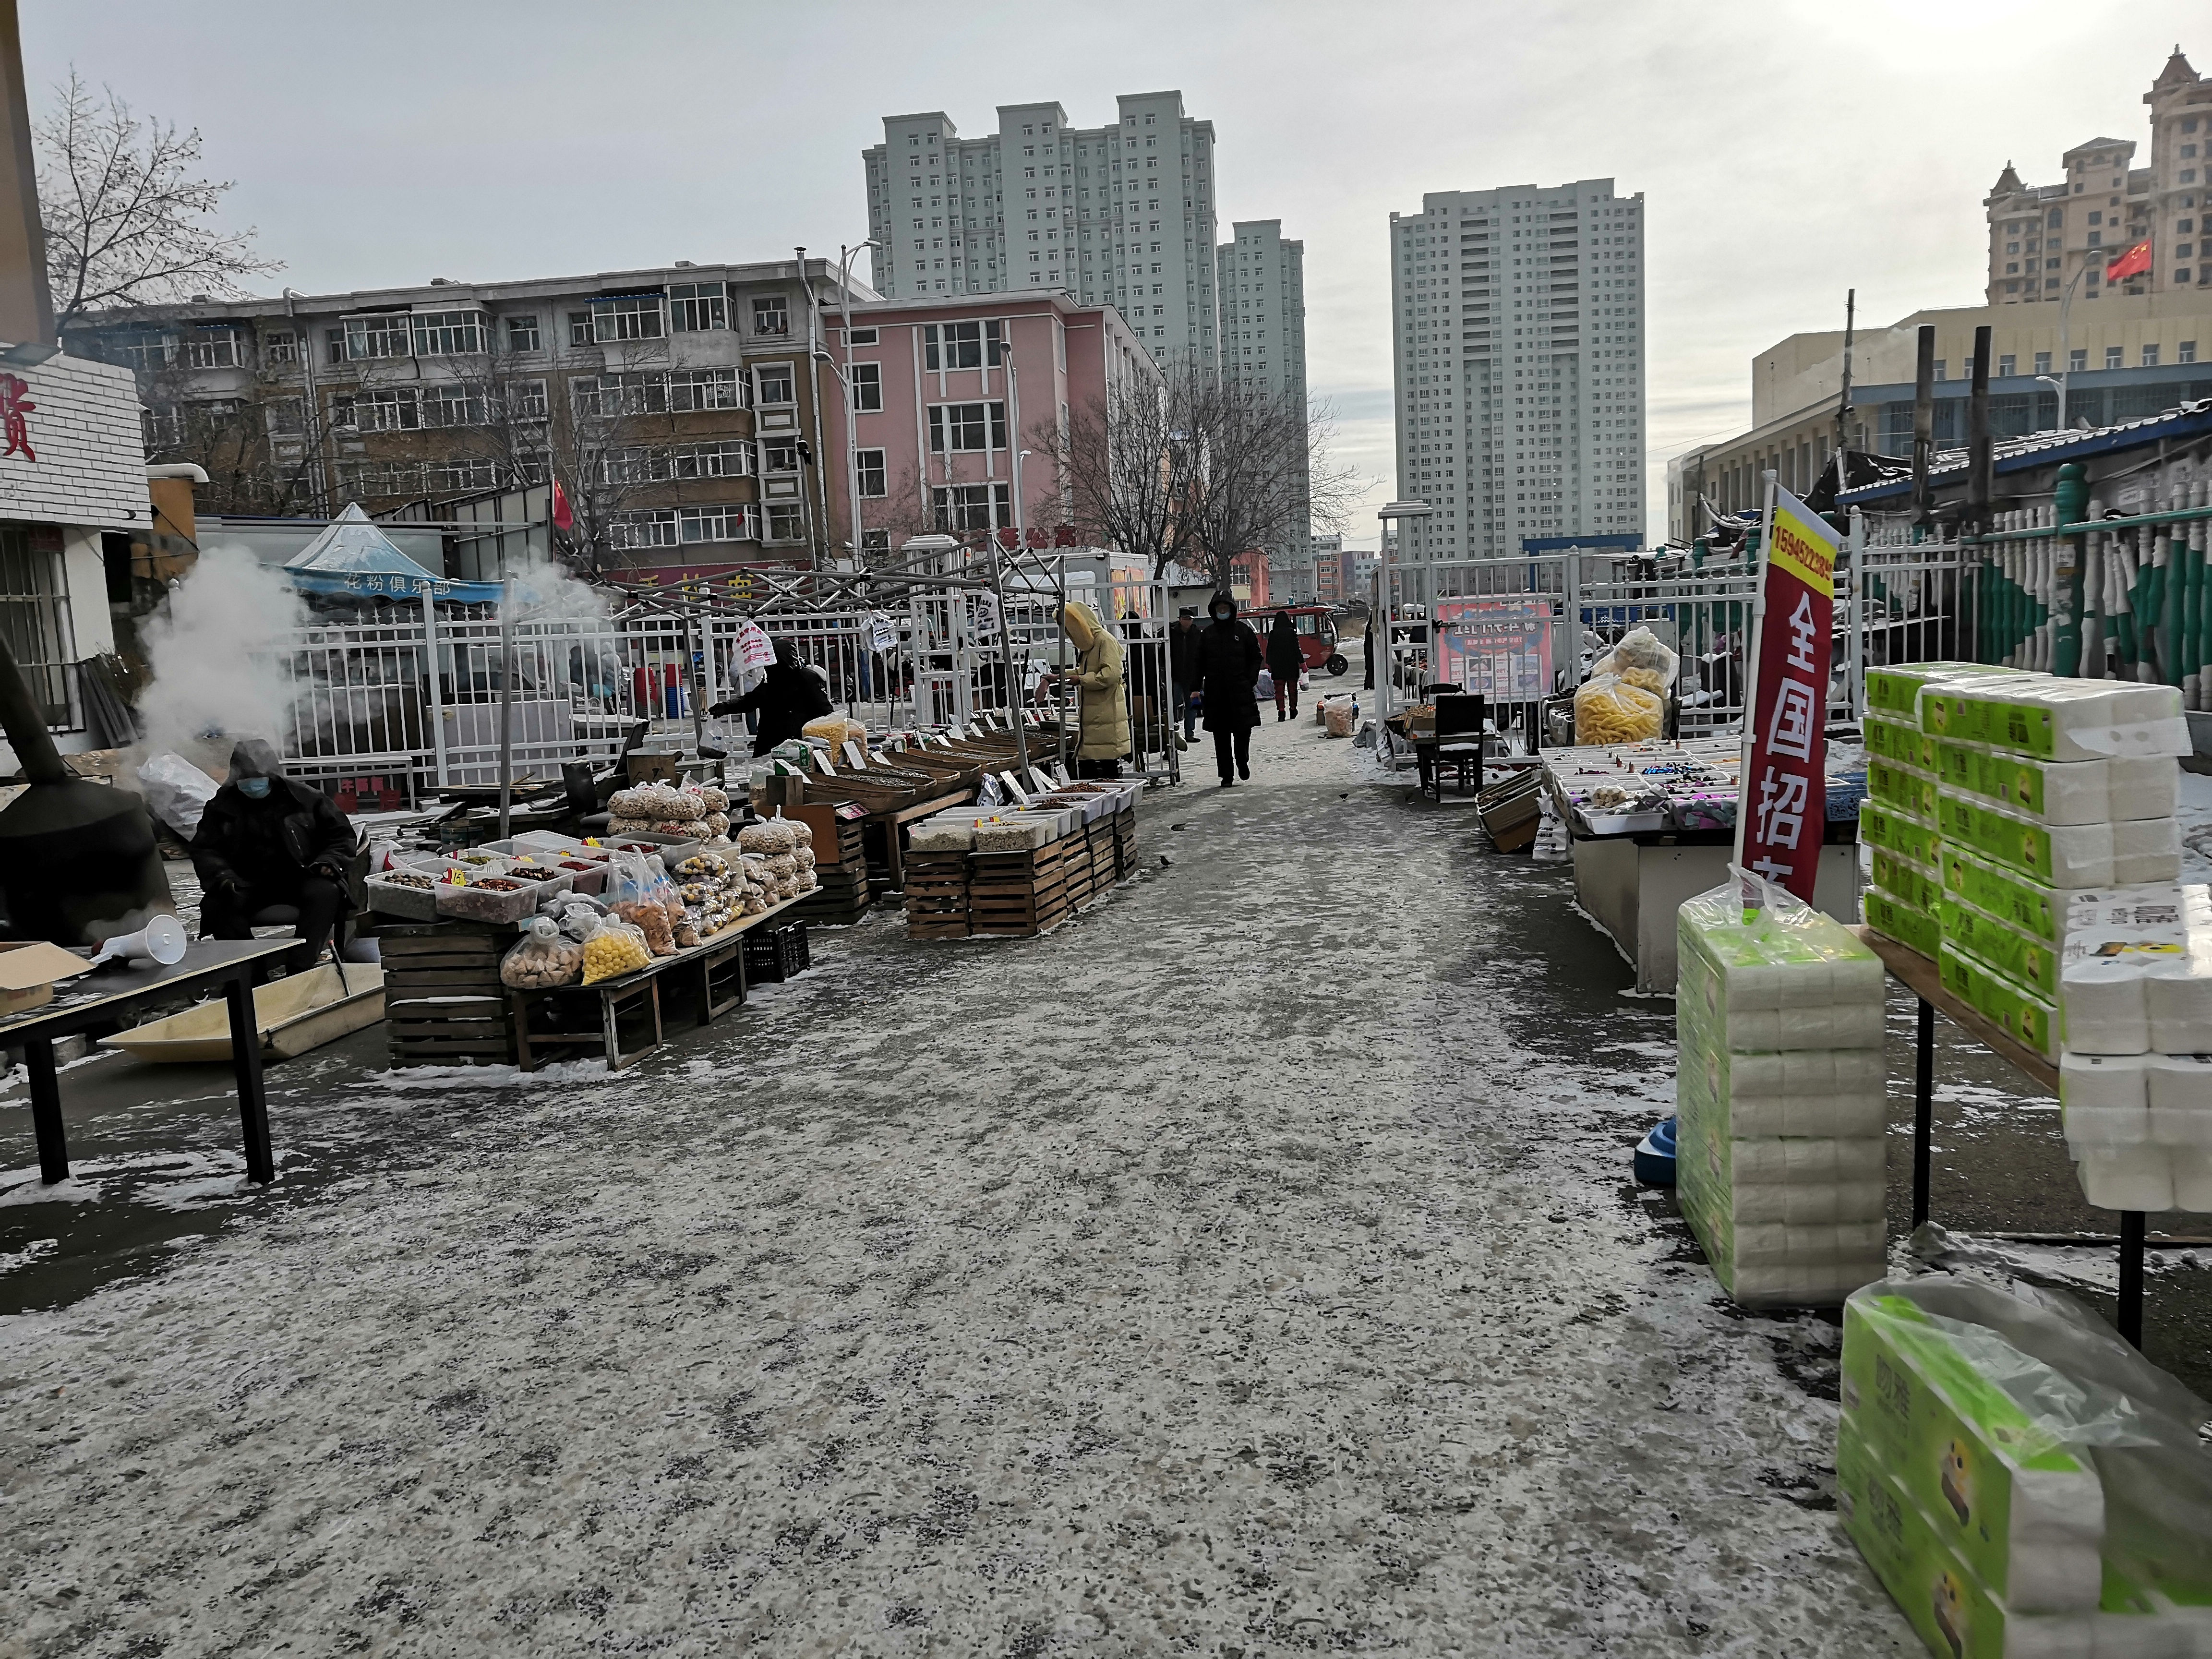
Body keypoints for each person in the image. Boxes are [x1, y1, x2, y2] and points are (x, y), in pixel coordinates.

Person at [192, 737, 357, 974]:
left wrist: (329, 862)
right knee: (217, 905)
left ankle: (301, 967)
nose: (251, 785)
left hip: (302, 875)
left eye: (258, 780)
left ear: (272, 776)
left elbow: (341, 836)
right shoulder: (221, 806)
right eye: (245, 781)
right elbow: (205, 849)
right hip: (245, 882)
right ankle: (249, 973)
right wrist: (222, 877)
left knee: (327, 892)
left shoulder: (306, 799)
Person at [708, 637, 832, 757]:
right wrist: (725, 707)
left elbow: (825, 709)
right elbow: (751, 700)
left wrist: (829, 732)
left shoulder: (807, 678)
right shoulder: (771, 680)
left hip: (802, 743)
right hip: (774, 743)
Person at [1193, 590, 1262, 786]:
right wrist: (1195, 687)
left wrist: (1250, 679)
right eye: (1219, 609)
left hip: (1240, 691)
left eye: (1226, 609)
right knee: (1221, 737)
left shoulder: (1243, 631)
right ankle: (1226, 775)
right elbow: (1198, 663)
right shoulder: (1207, 635)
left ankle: (1242, 761)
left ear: (1232, 610)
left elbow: (1256, 657)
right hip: (1217, 694)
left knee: (1243, 732)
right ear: (1214, 611)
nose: (1223, 612)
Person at [1057, 600, 1129, 778]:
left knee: (1106, 763)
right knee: (1091, 763)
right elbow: (1085, 671)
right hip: (1096, 714)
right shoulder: (1090, 645)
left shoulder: (1105, 641)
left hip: (1105, 711)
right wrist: (1060, 676)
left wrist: (1081, 680)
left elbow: (1110, 674)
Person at [1168, 607, 1202, 745]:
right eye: (1184, 619)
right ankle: (1174, 733)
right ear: (1180, 619)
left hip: (1193, 677)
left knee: (1193, 706)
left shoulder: (1197, 635)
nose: (1187, 622)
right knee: (1173, 705)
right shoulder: (1172, 634)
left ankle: (1190, 733)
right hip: (1175, 676)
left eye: (1189, 619)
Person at [1266, 611, 1304, 722]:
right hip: (1291, 666)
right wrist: (1302, 663)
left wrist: (1269, 663)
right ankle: (1293, 710)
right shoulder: (1291, 633)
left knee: (1279, 691)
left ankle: (1281, 712)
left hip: (1277, 667)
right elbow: (1297, 649)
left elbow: (1269, 650)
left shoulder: (1273, 634)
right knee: (1292, 690)